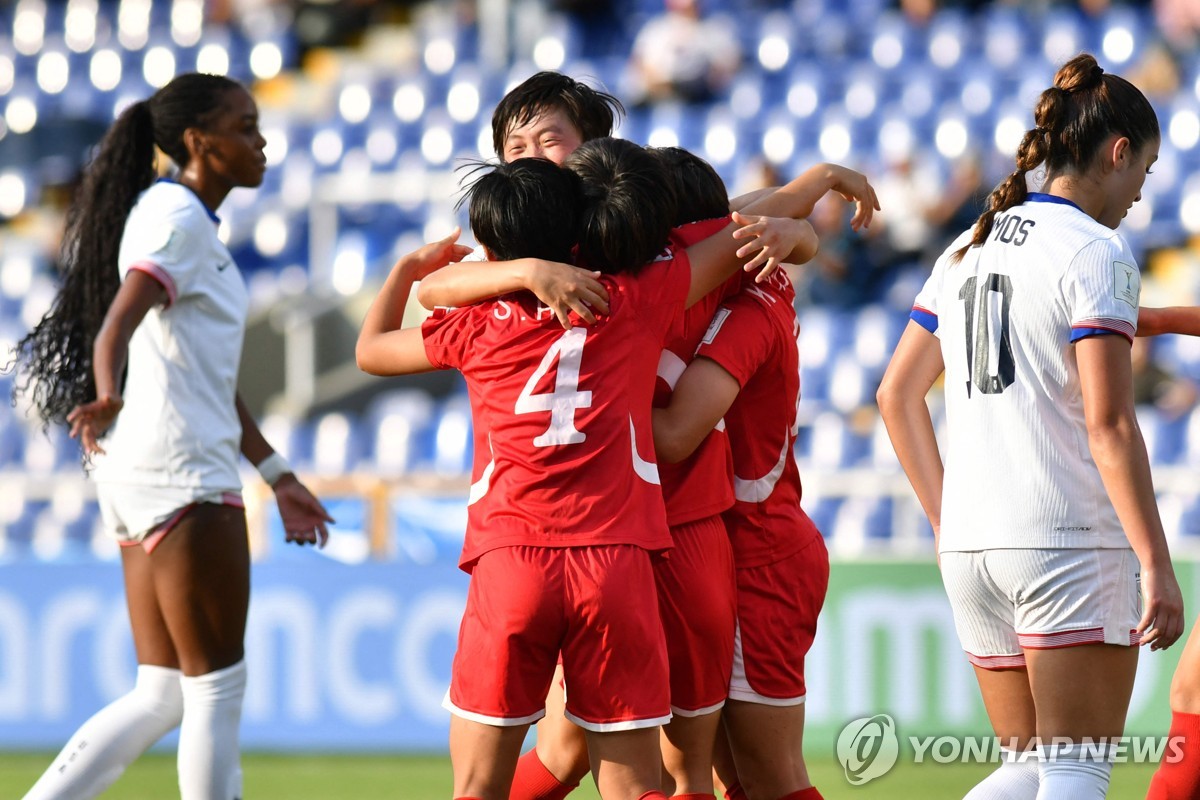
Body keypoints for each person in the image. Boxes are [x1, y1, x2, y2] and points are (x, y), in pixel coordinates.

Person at [359, 139, 848, 799]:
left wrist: (424, 274)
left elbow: (379, 344)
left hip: (519, 557)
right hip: (621, 561)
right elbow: (732, 235)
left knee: (483, 784)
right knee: (659, 779)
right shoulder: (633, 298)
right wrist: (802, 223)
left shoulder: (479, 321)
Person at [7, 73, 332, 800]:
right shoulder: (179, 222)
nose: (261, 141)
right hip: (182, 473)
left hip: (145, 471)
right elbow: (118, 321)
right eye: (244, 127)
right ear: (198, 143)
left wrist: (278, 474)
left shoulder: (173, 218)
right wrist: (108, 390)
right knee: (217, 690)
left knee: (163, 691)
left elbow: (207, 378)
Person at [876, 53, 1184, 800]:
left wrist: (951, 521)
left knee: (1027, 772)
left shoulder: (967, 244)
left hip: (972, 547)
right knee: (1077, 772)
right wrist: (1155, 562)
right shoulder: (1097, 250)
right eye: (1143, 173)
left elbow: (896, 395)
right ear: (1118, 153)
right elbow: (1109, 427)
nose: (1139, 195)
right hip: (1065, 539)